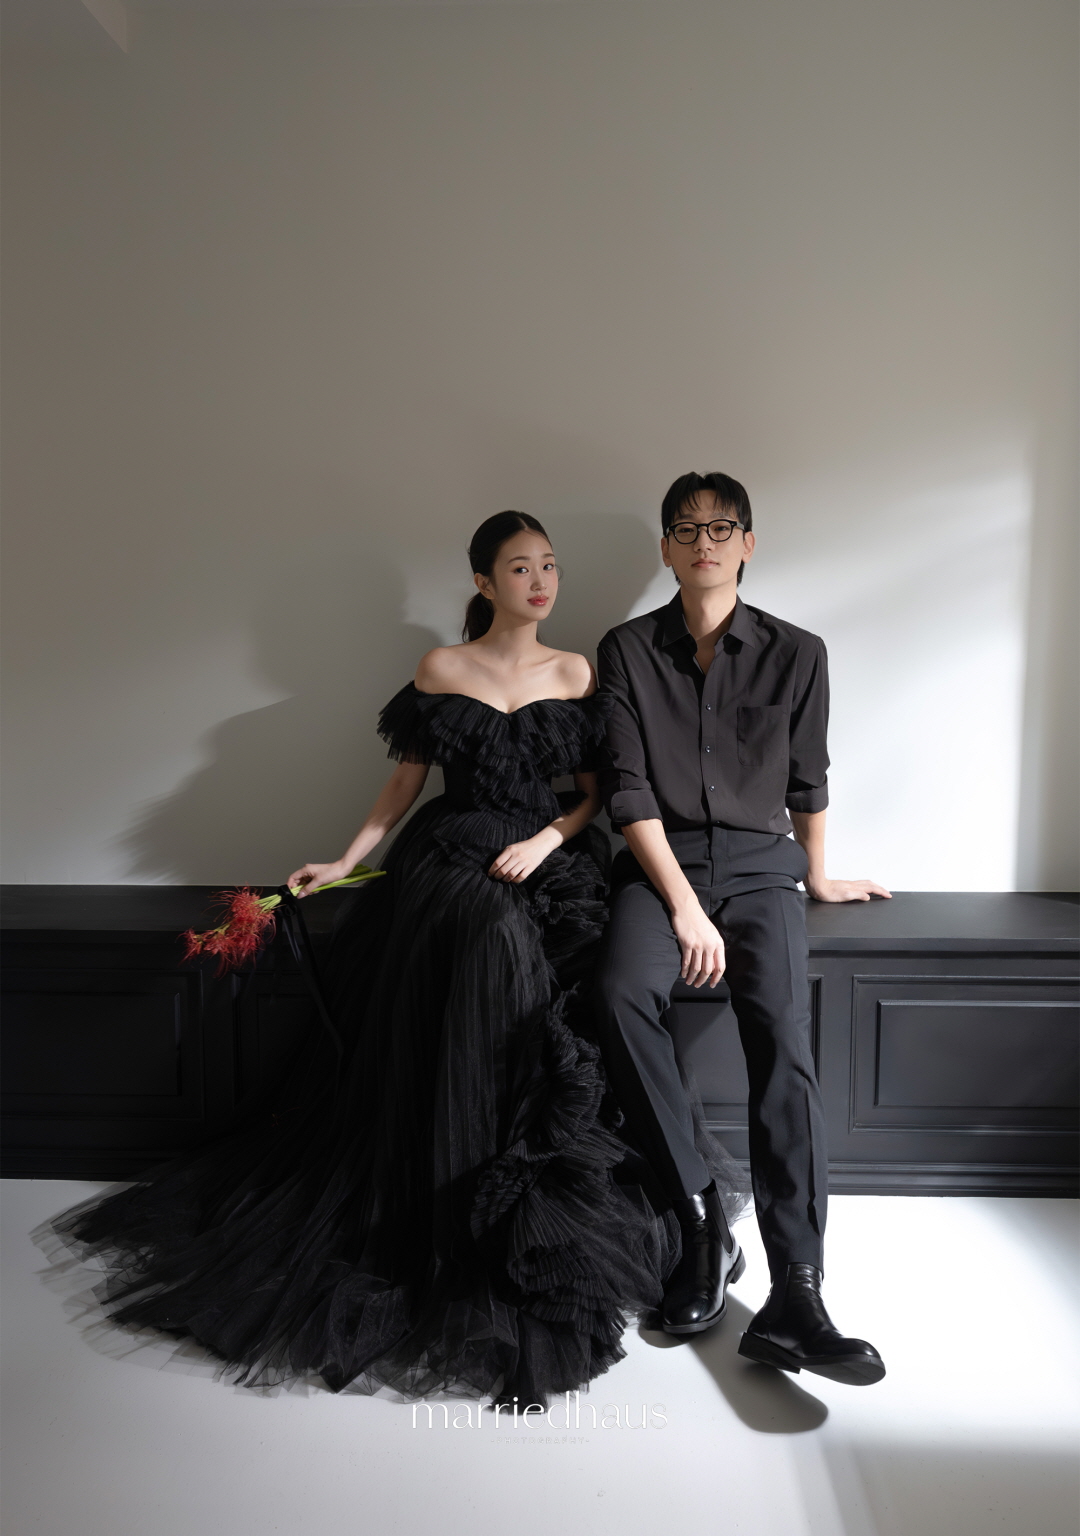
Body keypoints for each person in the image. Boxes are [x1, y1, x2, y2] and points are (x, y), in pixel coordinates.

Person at [45, 510, 747, 1409]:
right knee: (485, 935)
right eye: (520, 568)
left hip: (546, 857)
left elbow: (593, 797)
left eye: (549, 566)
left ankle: (580, 1199)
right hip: (453, 853)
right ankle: (454, 1204)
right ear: (484, 582)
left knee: (562, 974)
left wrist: (545, 840)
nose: (540, 581)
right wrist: (345, 860)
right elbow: (404, 785)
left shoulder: (577, 671)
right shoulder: (441, 668)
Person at [594, 472, 889, 1385]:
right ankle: (699, 1225)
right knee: (618, 994)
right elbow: (627, 792)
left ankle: (799, 1292)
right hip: (663, 868)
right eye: (686, 530)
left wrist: (819, 873)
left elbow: (808, 779)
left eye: (721, 528)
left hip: (763, 871)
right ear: (666, 549)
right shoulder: (626, 650)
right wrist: (684, 906)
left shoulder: (799, 652)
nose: (704, 543)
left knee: (782, 1038)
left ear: (748, 543)